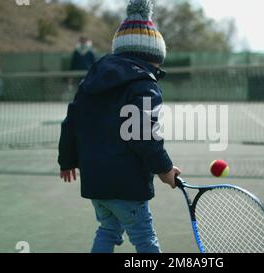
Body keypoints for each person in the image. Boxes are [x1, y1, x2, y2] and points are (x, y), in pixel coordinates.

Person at [58, 0, 181, 253]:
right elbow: (143, 135)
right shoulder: (145, 85)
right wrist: (164, 169)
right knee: (145, 239)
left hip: (96, 183)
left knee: (108, 230)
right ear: (153, 58)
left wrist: (67, 160)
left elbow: (71, 123)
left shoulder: (91, 80)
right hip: (127, 185)